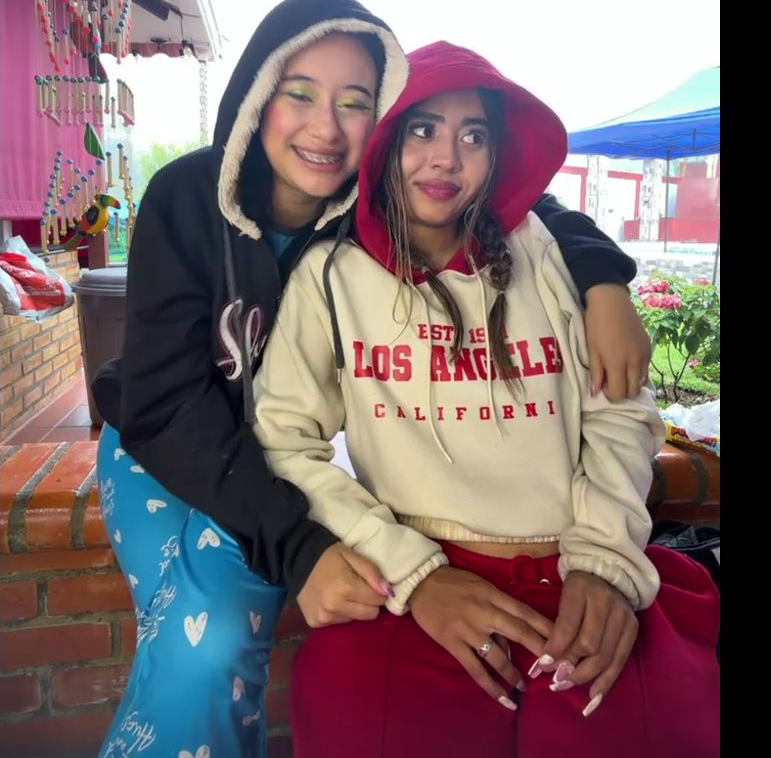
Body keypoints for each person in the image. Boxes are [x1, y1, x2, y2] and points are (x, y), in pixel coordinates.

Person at [92, 0, 652, 757]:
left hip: (262, 462)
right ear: (257, 95)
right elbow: (165, 401)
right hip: (162, 443)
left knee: (213, 643)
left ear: (378, 123)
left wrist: (604, 280)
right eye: (299, 93)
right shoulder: (188, 197)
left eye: (355, 103)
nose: (325, 127)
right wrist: (303, 549)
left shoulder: (377, 195)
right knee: (202, 642)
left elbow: (524, 202)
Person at [253, 40, 720, 758]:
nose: (446, 158)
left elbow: (619, 413)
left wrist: (604, 565)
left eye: (473, 136)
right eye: (423, 130)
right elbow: (285, 440)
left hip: (580, 570)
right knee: (359, 713)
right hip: (424, 583)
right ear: (386, 140)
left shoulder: (552, 254)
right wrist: (416, 576)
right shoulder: (330, 276)